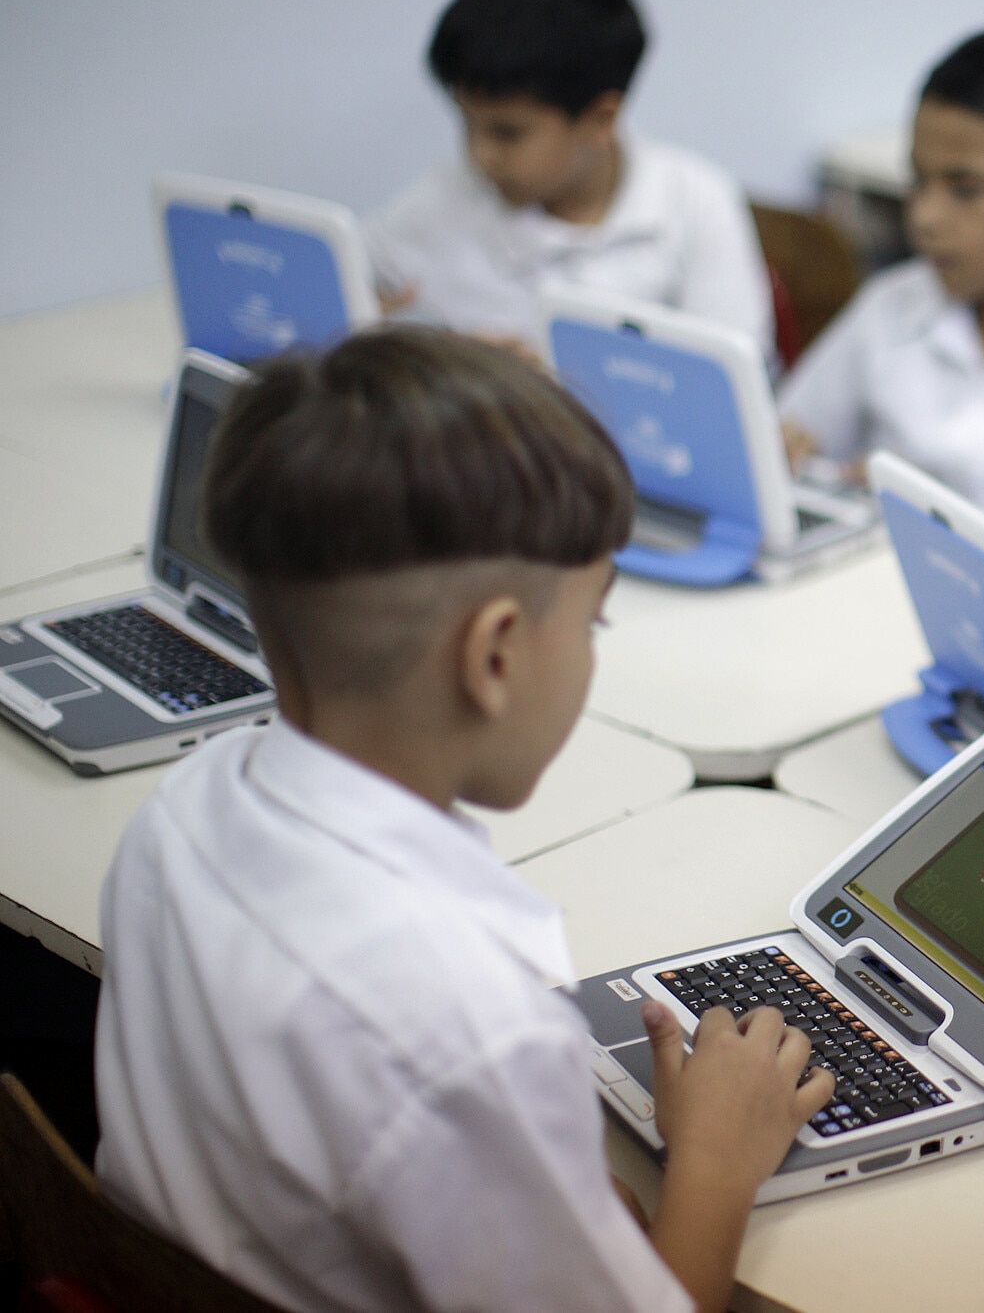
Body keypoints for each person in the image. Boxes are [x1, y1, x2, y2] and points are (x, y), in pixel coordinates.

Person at [94, 329, 834, 1313]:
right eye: (592, 622)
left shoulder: (180, 813)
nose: (591, 651)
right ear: (493, 655)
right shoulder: (468, 1028)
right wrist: (715, 1159)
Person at [778, 27, 984, 573]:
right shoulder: (891, 305)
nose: (924, 218)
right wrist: (795, 458)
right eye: (918, 181)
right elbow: (794, 435)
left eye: (966, 190)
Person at [368, 0, 772, 348]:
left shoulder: (693, 206)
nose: (479, 154)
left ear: (601, 119)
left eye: (508, 133)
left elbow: (730, 388)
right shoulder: (445, 197)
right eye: (466, 123)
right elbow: (350, 290)